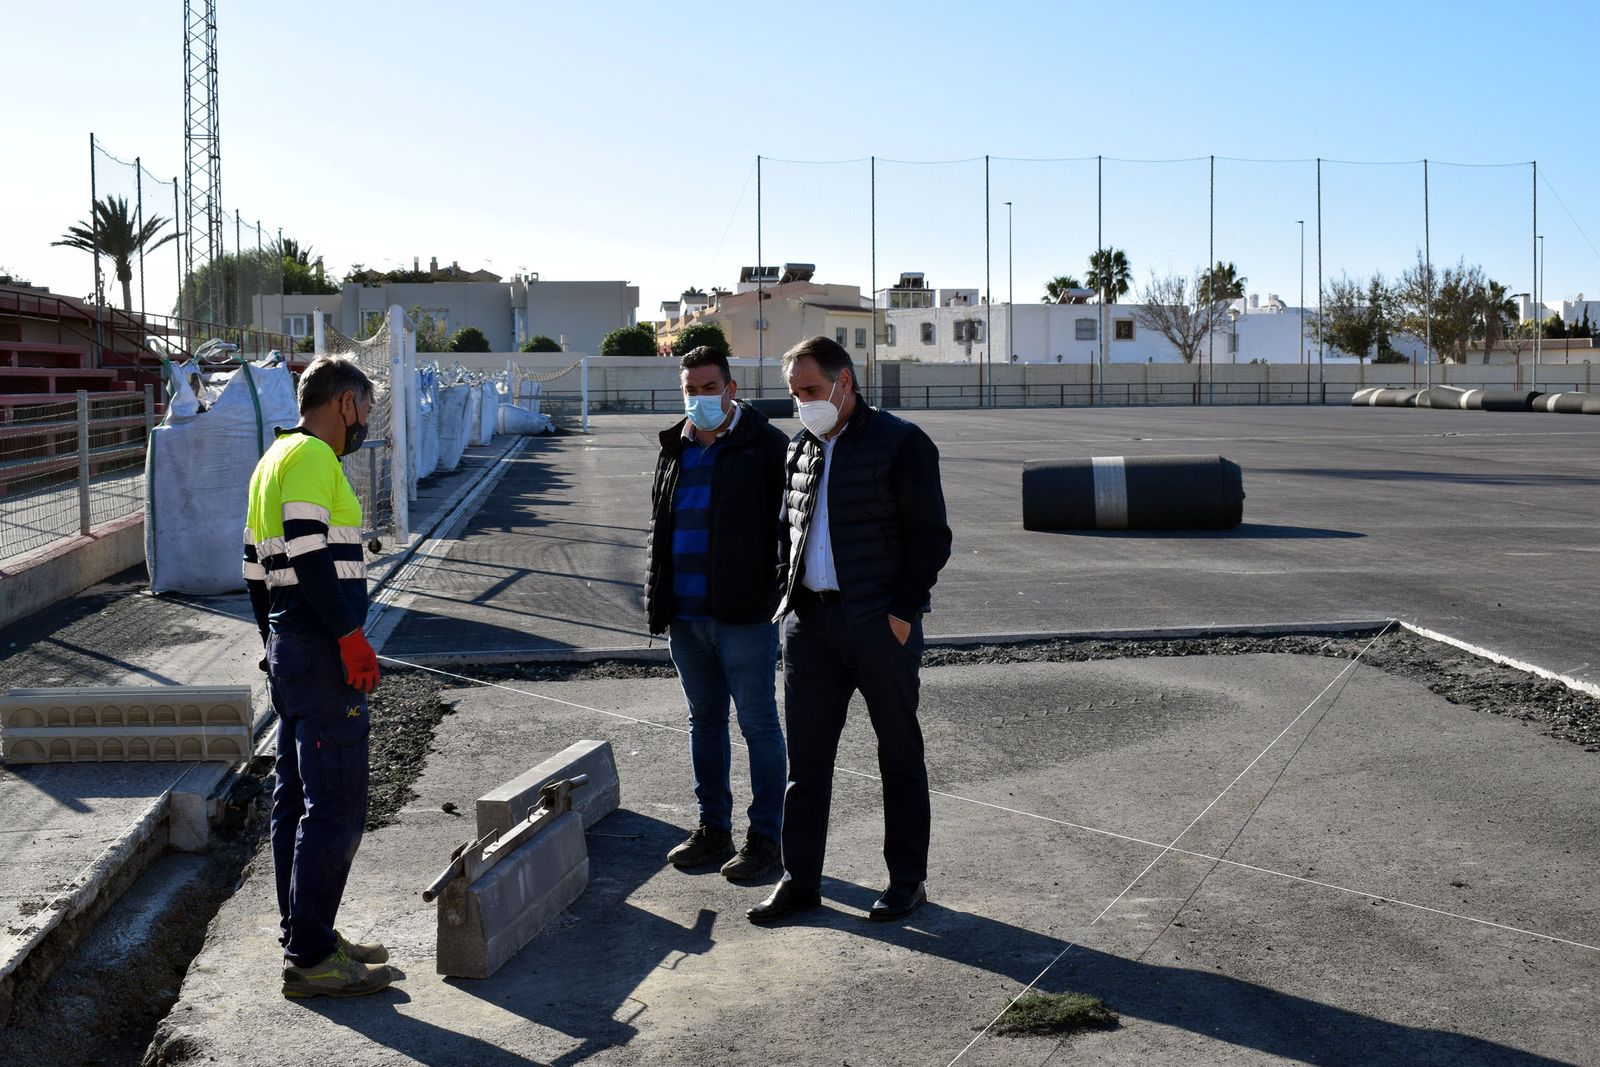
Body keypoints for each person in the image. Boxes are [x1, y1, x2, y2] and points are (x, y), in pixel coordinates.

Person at [748, 336, 952, 925]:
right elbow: (789, 533)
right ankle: (799, 880)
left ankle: (906, 880)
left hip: (877, 624)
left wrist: (900, 612)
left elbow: (931, 539)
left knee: (898, 753)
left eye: (810, 391)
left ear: (846, 382)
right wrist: (784, 599)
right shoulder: (801, 448)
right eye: (794, 394)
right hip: (810, 625)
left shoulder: (903, 444)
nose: (801, 403)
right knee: (806, 763)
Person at [244, 354, 396, 998]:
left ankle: (308, 931)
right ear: (344, 403)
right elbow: (308, 554)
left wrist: (272, 644)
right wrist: (350, 638)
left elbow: (256, 569)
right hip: (321, 652)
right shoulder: (312, 459)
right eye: (366, 406)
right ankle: (311, 957)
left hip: (292, 648)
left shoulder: (271, 460)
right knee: (334, 805)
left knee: (296, 798)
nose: (366, 419)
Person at [646, 345, 790, 880]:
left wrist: (773, 592)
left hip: (744, 616)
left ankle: (766, 839)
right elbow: (660, 534)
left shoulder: (767, 446)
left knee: (758, 725)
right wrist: (657, 600)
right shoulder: (673, 449)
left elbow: (792, 529)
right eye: (692, 389)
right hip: (684, 617)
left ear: (730, 389)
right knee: (703, 721)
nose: (700, 397)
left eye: (710, 387)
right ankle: (713, 829)